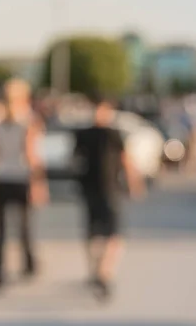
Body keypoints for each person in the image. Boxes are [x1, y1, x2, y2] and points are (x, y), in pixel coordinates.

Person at [74, 92, 146, 301]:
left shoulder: (112, 134)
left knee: (109, 233)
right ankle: (99, 272)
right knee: (98, 233)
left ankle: (102, 271)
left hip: (108, 188)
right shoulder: (89, 134)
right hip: (95, 189)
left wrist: (134, 182)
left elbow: (125, 160)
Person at [0, 79, 48, 289]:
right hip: (21, 178)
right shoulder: (29, 122)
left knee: (1, 228)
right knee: (24, 225)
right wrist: (39, 182)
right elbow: (32, 155)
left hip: (1, 176)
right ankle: (28, 262)